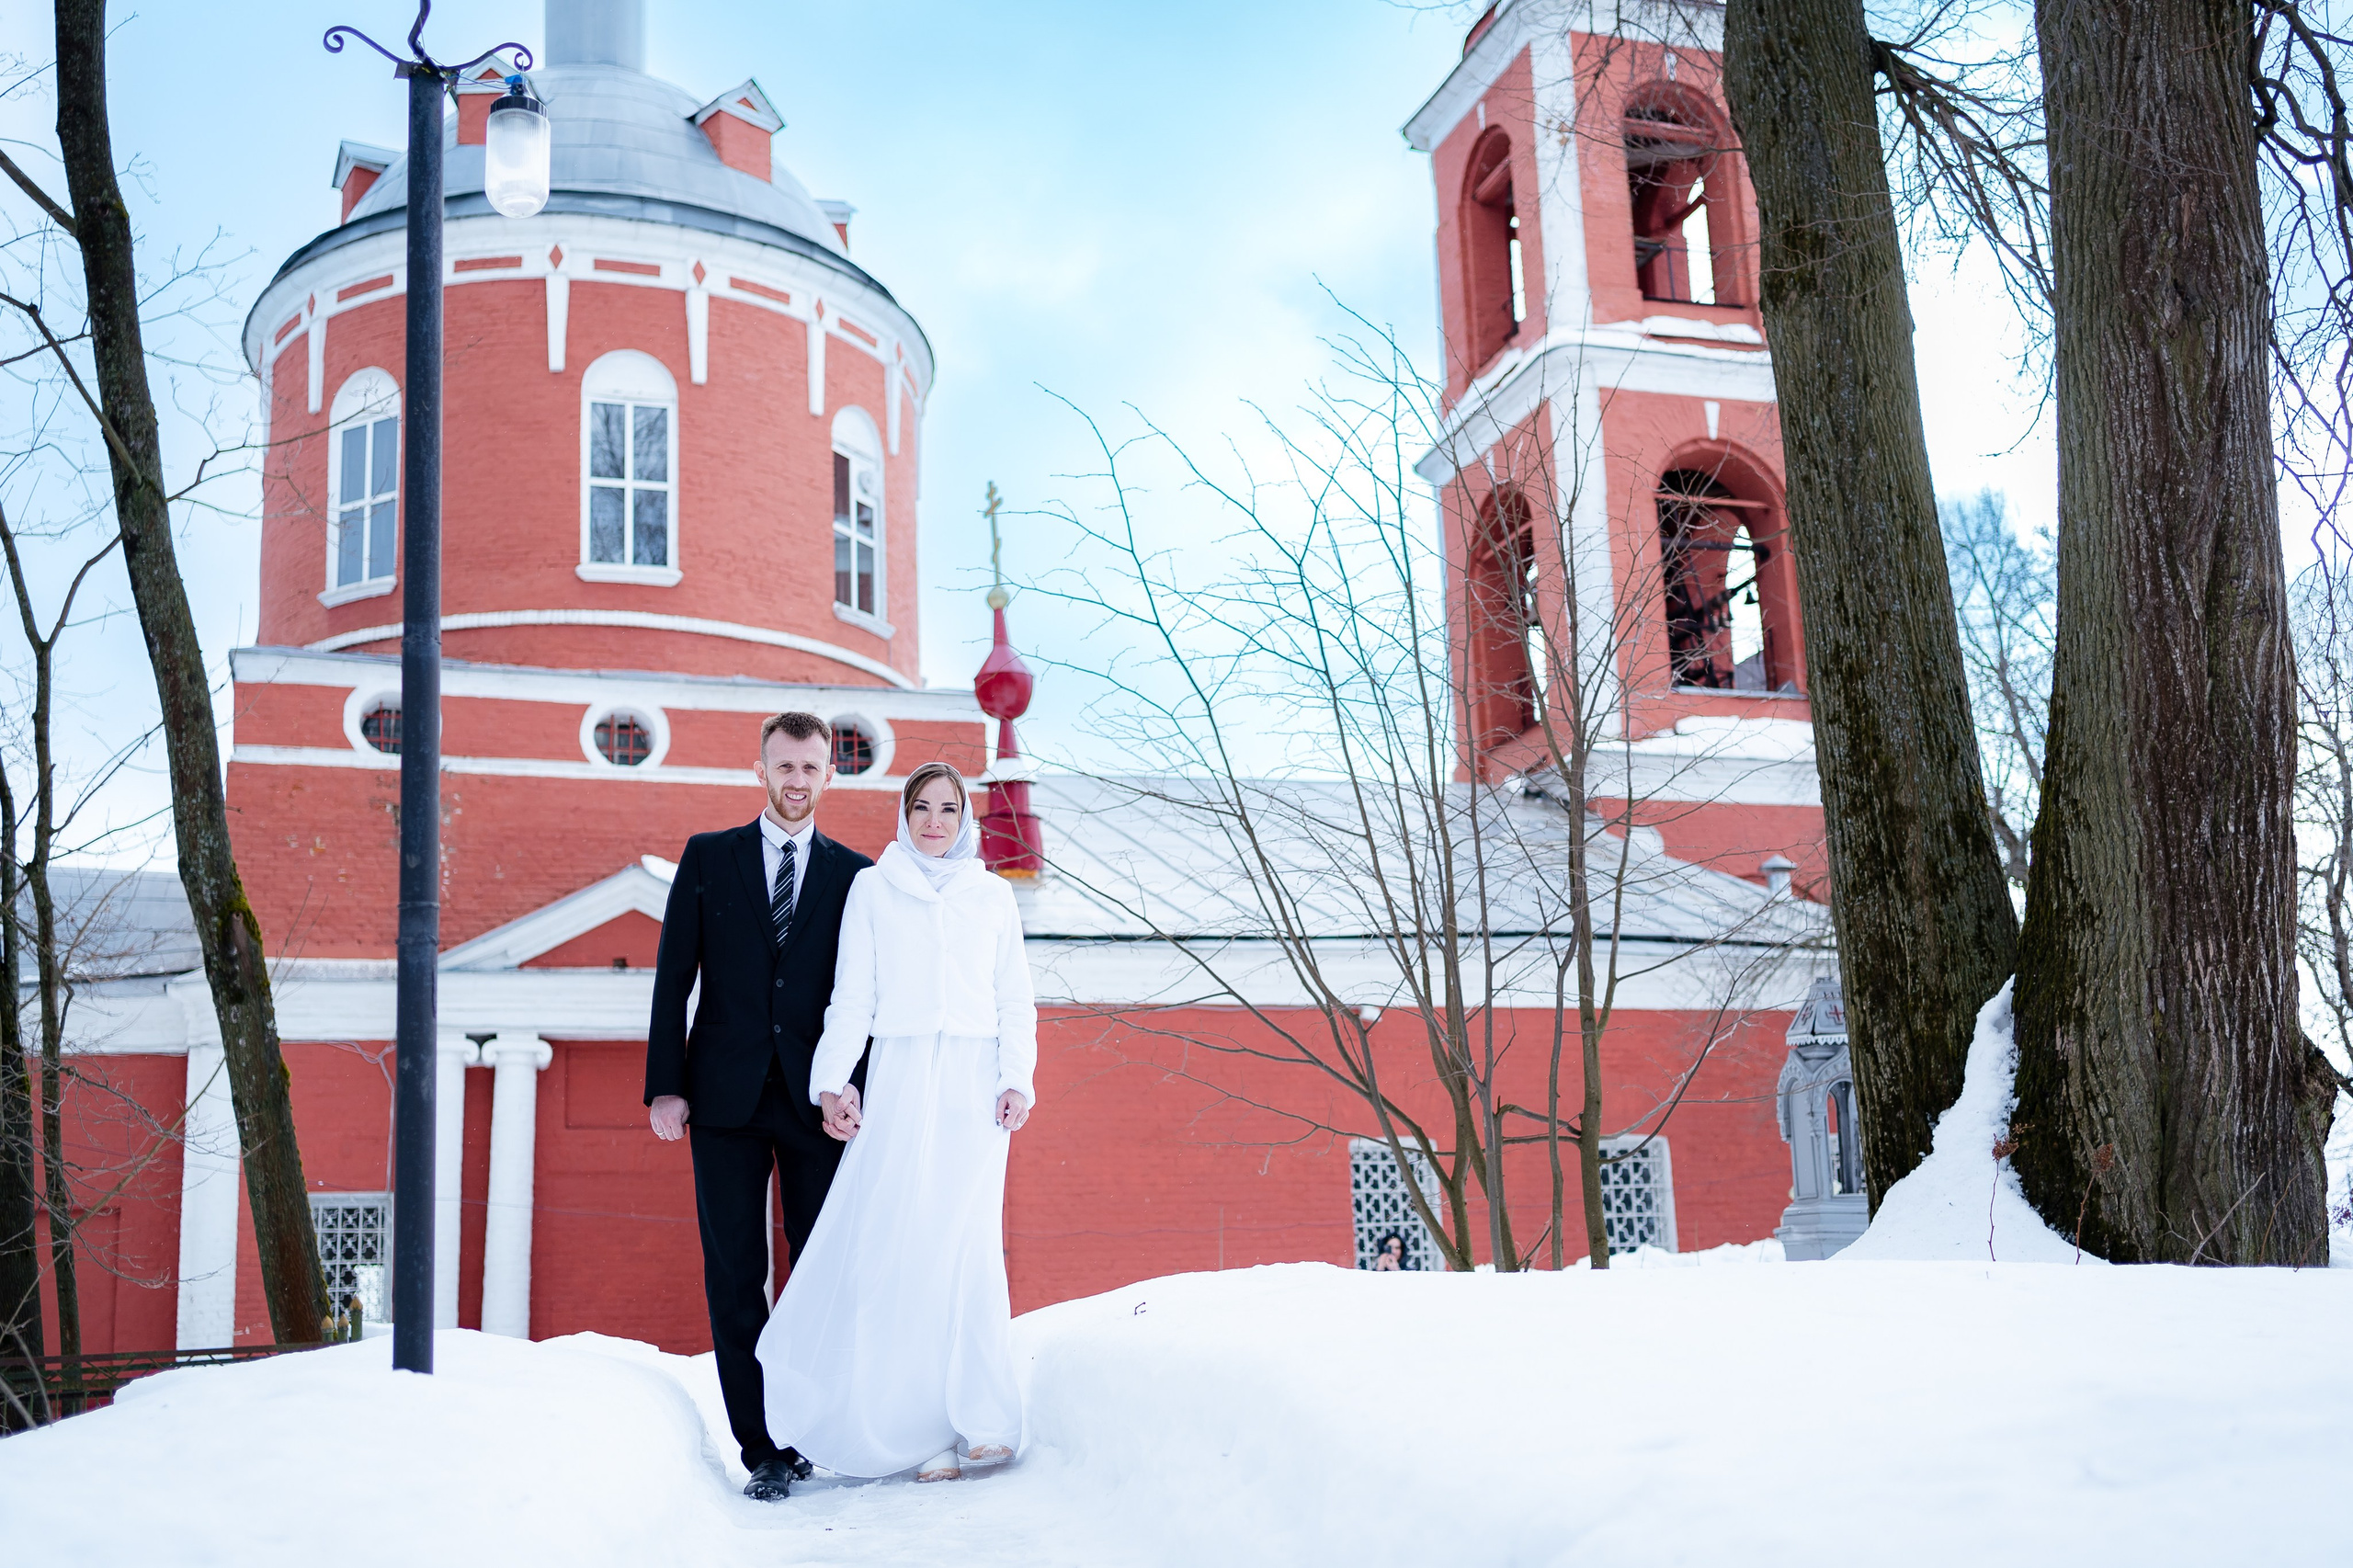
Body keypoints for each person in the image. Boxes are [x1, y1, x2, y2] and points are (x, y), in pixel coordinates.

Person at [756, 761, 1037, 1483]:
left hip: (974, 1089)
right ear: (903, 815)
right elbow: (851, 997)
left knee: (964, 1245)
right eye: (922, 808)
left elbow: (1015, 999)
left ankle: (978, 1422)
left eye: (948, 808)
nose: (935, 822)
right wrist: (833, 1085)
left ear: (965, 817)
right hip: (903, 1075)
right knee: (897, 1242)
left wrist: (1015, 1079)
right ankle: (911, 1432)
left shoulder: (992, 897)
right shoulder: (873, 889)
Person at [644, 711, 873, 1503]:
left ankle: (809, 1426)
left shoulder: (857, 876)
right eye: (785, 766)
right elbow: (675, 975)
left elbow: (867, 997)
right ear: (761, 770)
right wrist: (665, 1084)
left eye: (812, 768)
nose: (797, 781)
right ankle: (763, 1449)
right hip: (723, 1100)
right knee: (737, 1274)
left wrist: (857, 1092)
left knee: (816, 1272)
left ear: (829, 777)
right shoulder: (709, 858)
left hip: (817, 1105)